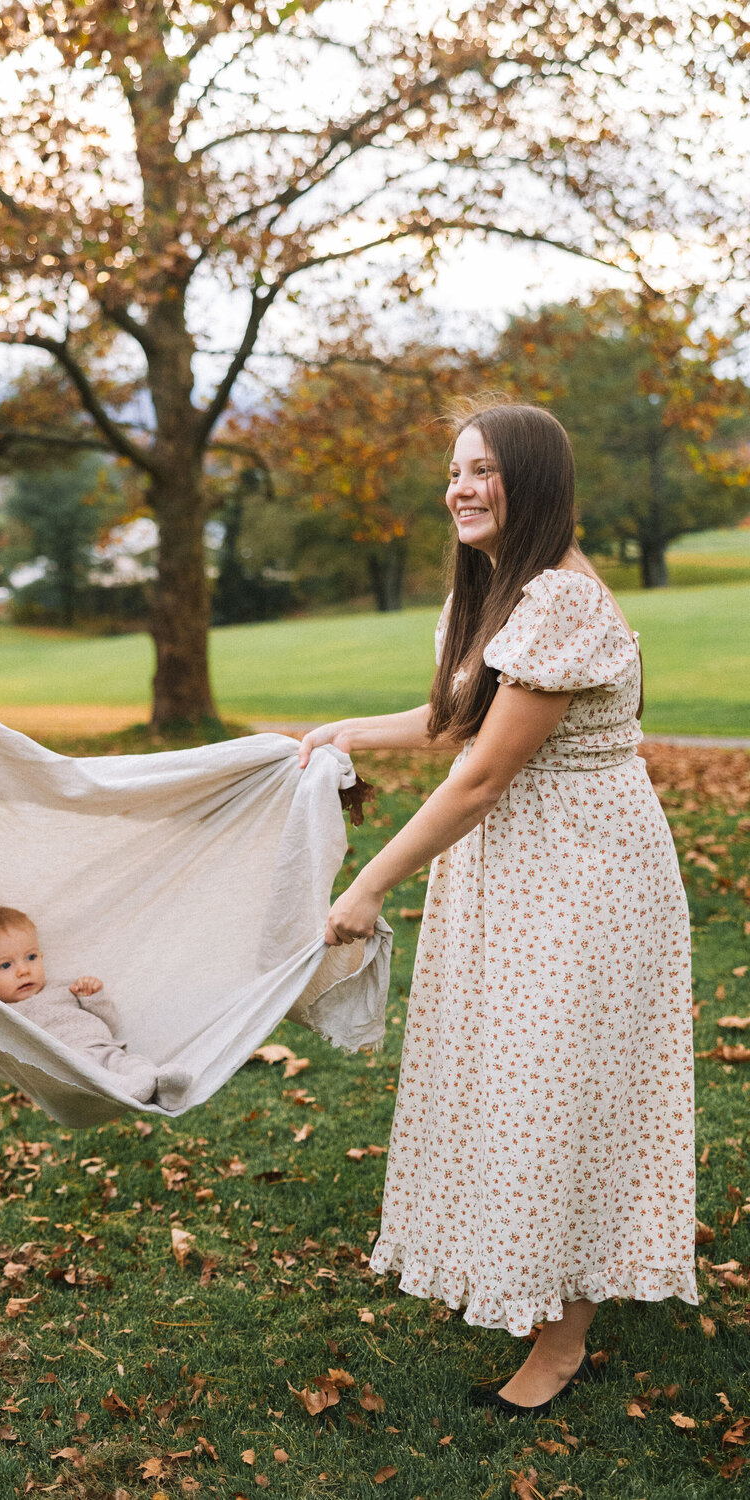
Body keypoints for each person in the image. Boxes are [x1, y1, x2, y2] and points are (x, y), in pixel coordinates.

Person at [299, 401, 695, 1413]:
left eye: (482, 471)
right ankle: (532, 1275)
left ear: (532, 481)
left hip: (582, 875)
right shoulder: (499, 593)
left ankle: (562, 1343)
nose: (459, 489)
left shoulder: (561, 601)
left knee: (552, 1089)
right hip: (514, 873)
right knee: (509, 1080)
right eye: (452, 472)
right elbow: (455, 720)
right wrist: (344, 730)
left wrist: (370, 882)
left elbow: (481, 778)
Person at [0, 906, 190, 1107]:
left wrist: (94, 996)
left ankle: (163, 1087)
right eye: (5, 965)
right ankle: (132, 1087)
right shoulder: (3, 1014)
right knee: (100, 1074)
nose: (24, 970)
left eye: (31, 957)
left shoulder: (67, 987)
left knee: (133, 1064)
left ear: (41, 956)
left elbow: (111, 1022)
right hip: (71, 1063)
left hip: (105, 1046)